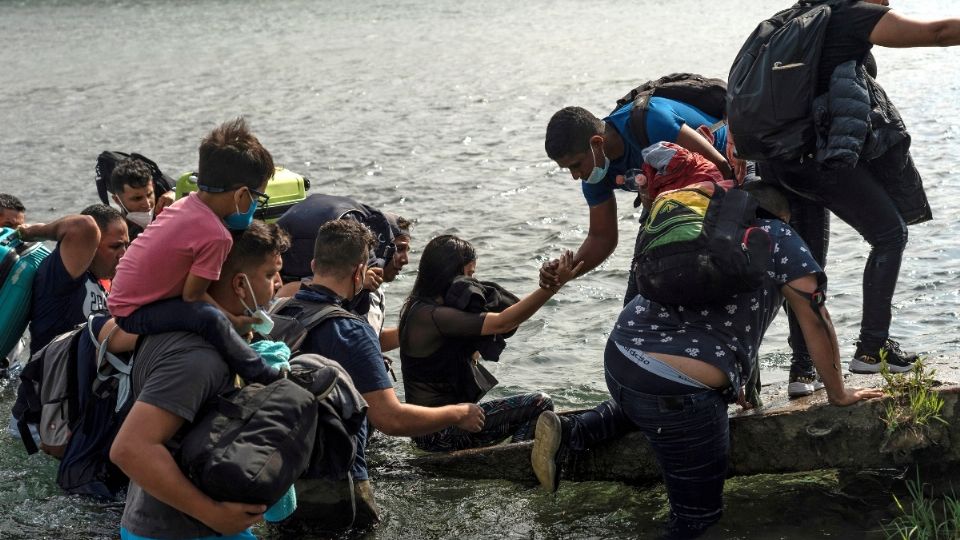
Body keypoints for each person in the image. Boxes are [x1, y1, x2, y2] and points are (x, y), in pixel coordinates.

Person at [531, 156, 883, 539]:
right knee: (696, 521)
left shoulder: (699, 223)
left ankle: (575, 431)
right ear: (785, 214)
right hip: (678, 390)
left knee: (646, 402)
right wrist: (839, 392)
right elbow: (815, 320)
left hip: (621, 359)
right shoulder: (780, 237)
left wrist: (741, 377)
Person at [755, 0, 960, 386]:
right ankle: (872, 349)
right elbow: (938, 32)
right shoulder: (850, 15)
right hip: (815, 159)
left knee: (807, 264)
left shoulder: (794, 19)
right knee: (889, 234)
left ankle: (802, 371)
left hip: (779, 157)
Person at [281, 219, 485, 527]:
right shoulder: (351, 330)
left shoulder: (278, 313)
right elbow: (391, 419)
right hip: (337, 490)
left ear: (313, 264)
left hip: (278, 483)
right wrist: (458, 413)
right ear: (359, 272)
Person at [109, 220, 289, 540]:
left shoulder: (182, 329)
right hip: (181, 530)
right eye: (269, 275)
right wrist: (214, 515)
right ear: (239, 284)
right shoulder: (198, 358)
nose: (279, 284)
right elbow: (130, 448)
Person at [107, 118, 280, 385]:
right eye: (257, 198)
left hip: (123, 299)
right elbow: (193, 295)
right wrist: (233, 320)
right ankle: (261, 373)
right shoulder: (216, 235)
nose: (255, 204)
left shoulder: (186, 203)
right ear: (242, 194)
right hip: (134, 313)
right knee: (209, 318)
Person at [541, 97, 744, 304]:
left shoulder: (651, 121)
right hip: (670, 196)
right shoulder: (594, 171)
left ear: (596, 142)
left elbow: (722, 168)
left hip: (724, 170)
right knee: (639, 293)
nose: (575, 176)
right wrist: (566, 271)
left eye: (575, 165)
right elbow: (602, 238)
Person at [398, 235, 579, 452]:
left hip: (435, 430)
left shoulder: (423, 308)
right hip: (440, 433)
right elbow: (504, 323)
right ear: (450, 273)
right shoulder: (431, 315)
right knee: (539, 404)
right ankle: (518, 462)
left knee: (540, 416)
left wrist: (548, 277)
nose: (472, 281)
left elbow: (511, 317)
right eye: (470, 274)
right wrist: (552, 287)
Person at [22, 204, 128, 354]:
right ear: (92, 244)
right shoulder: (63, 276)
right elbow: (82, 225)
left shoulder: (99, 280)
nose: (123, 254)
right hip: (51, 373)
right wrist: (32, 232)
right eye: (115, 246)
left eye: (126, 245)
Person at [107, 158, 174, 241]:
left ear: (153, 186)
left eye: (149, 194)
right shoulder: (117, 237)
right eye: (137, 198)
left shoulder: (170, 208)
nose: (147, 204)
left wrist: (175, 192)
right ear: (117, 200)